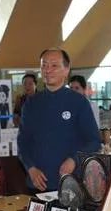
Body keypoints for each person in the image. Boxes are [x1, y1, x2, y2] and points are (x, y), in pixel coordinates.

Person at [17, 48, 101, 193]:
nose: (48, 70)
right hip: (37, 184)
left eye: (54, 65)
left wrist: (74, 159)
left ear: (66, 70)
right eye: (44, 65)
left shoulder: (78, 102)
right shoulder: (31, 103)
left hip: (70, 185)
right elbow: (22, 142)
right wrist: (30, 168)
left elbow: (94, 141)